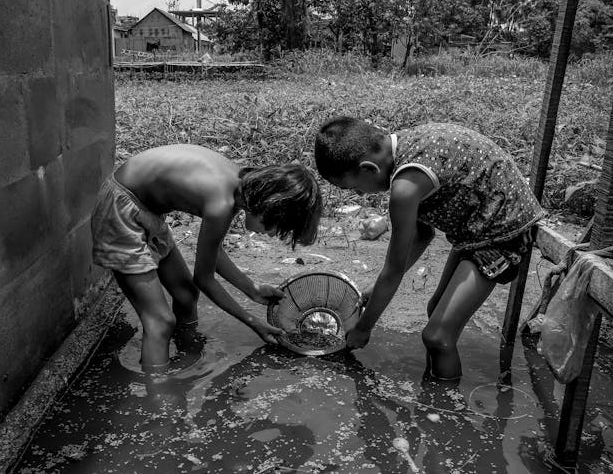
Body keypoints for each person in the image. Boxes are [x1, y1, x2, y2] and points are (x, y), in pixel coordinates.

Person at [315, 117, 545, 379]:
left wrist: (364, 328)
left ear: (368, 169)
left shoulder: (405, 187)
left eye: (353, 187)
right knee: (435, 310)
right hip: (478, 226)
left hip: (504, 231)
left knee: (437, 336)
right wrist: (373, 289)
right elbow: (423, 235)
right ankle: (432, 383)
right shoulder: (404, 149)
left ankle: (444, 406)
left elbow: (393, 270)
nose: (359, 195)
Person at [91, 144, 322, 371]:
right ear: (268, 207)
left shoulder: (239, 184)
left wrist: (251, 289)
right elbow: (204, 278)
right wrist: (253, 322)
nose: (270, 234)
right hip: (121, 210)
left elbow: (213, 252)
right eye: (275, 227)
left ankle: (187, 350)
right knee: (160, 321)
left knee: (186, 293)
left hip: (147, 210)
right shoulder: (221, 203)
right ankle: (160, 394)